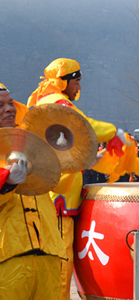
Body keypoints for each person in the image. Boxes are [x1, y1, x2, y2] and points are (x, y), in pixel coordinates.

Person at [27, 58, 127, 300]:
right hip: (58, 196)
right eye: (77, 81)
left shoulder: (42, 100)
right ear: (64, 81)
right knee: (61, 259)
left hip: (48, 192)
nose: (79, 88)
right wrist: (114, 132)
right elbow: (84, 126)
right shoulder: (58, 103)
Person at [0, 83, 68, 298]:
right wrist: (7, 184)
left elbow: (57, 184)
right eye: (0, 106)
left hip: (48, 251)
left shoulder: (32, 146)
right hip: (7, 256)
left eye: (11, 103)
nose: (9, 109)